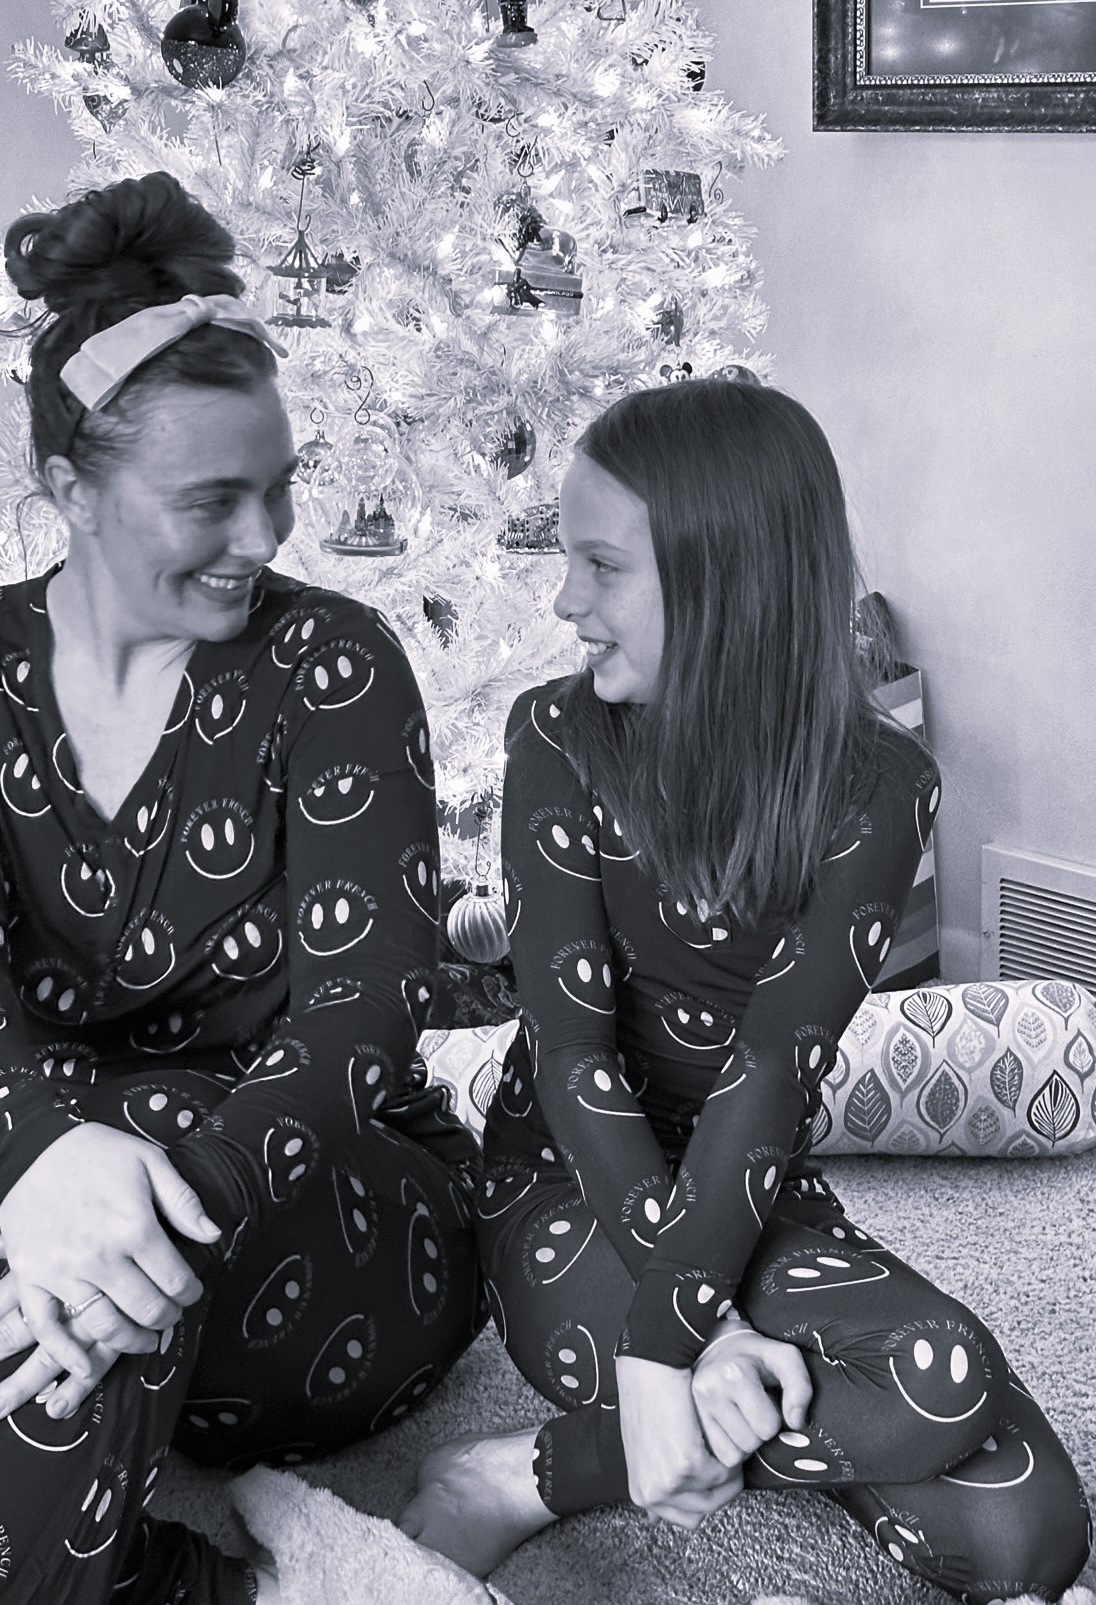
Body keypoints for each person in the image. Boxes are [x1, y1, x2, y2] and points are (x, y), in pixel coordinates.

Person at [0, 172, 485, 1605]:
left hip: (321, 1211)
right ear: (69, 491)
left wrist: (134, 1201)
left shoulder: (333, 660)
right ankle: (225, 1585)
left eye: (278, 487)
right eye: (212, 500)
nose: (264, 535)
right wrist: (44, 1164)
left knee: (110, 1221)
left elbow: (365, 1014)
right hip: (29, 1184)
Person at [402, 379, 1091, 1603]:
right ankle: (532, 1469)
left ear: (723, 581)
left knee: (1013, 1508)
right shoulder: (554, 736)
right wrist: (687, 1342)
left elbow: (768, 1071)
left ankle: (568, 1458)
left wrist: (692, 1339)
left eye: (600, 566)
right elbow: (571, 1058)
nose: (563, 601)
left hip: (749, 1183)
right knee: (893, 1402)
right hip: (565, 1188)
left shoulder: (879, 784)